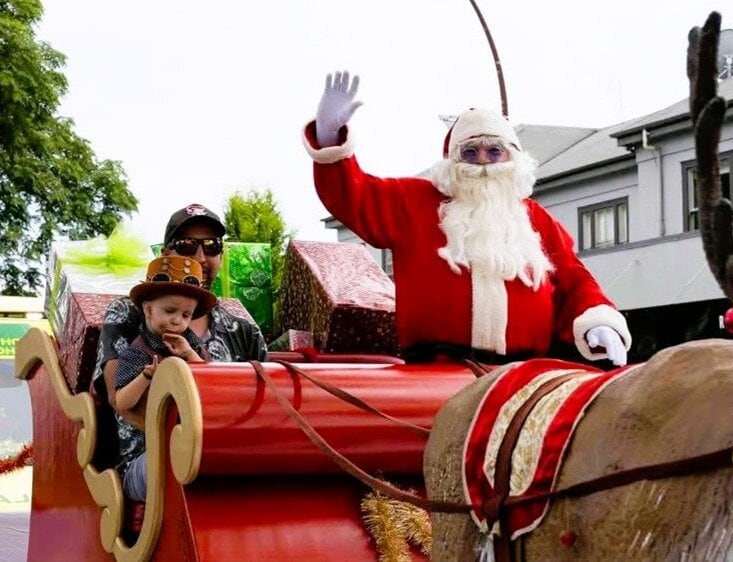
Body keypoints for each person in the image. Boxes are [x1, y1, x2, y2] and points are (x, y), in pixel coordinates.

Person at [302, 71, 631, 366]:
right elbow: (353, 196)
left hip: (520, 376)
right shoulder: (417, 202)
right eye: (470, 153)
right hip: (433, 372)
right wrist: (329, 136)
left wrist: (597, 320)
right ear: (452, 162)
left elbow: (575, 281)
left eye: (494, 152)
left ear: (513, 158)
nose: (483, 163)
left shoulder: (535, 220)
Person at [93, 203, 267, 416]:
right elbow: (118, 401)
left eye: (212, 245)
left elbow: (266, 400)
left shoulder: (243, 330)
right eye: (187, 245)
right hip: (152, 445)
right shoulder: (128, 312)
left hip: (228, 442)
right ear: (166, 253)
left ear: (221, 255)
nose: (201, 258)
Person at [115, 255, 216, 501]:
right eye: (170, 311)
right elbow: (122, 401)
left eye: (186, 315)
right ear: (148, 310)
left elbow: (211, 386)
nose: (177, 321)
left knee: (208, 459)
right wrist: (147, 375)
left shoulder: (193, 346)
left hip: (187, 444)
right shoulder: (137, 352)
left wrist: (190, 355)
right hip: (143, 458)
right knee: (174, 463)